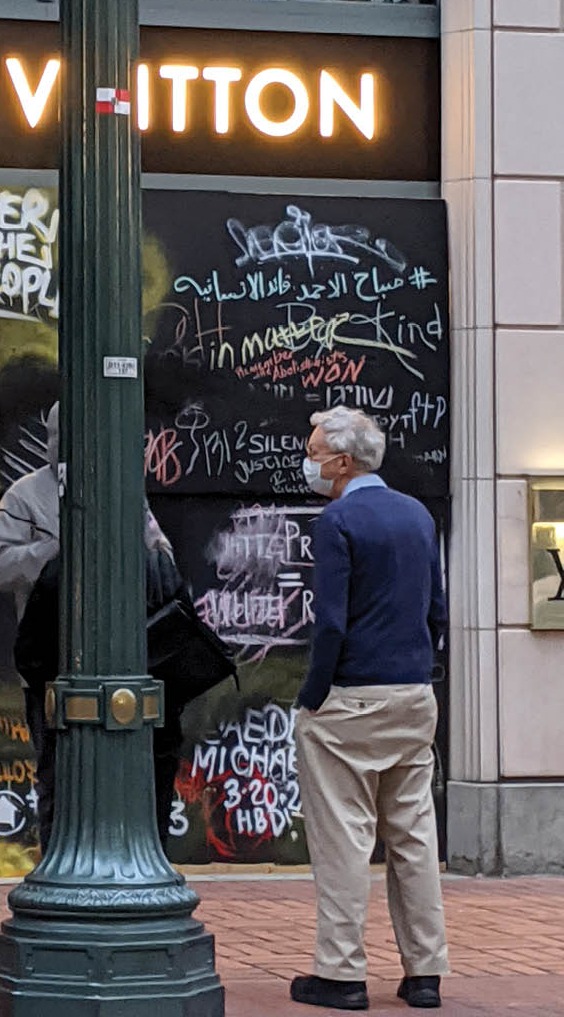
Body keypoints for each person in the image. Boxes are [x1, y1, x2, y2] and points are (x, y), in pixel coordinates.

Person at [290, 406, 448, 1012]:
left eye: (315, 450)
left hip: (349, 700)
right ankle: (425, 972)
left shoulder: (338, 520)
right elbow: (436, 609)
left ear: (343, 461)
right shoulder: (417, 515)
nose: (309, 460)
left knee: (344, 839)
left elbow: (329, 623)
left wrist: (313, 698)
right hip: (413, 695)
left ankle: (341, 973)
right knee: (413, 837)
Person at [0, 402, 182, 850]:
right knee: (56, 770)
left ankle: (145, 855)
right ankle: (58, 857)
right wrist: (57, 554)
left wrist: (146, 558)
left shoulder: (126, 490)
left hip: (127, 658)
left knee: (148, 762)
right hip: (51, 656)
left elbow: (160, 552)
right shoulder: (24, 495)